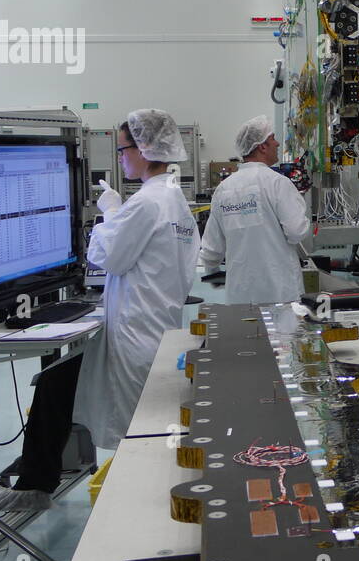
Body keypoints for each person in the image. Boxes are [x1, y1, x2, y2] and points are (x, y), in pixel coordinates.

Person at [73, 109, 201, 450]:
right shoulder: (176, 201)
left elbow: (107, 257)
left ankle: (136, 499)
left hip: (137, 336)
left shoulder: (147, 202)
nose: (120, 158)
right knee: (155, 427)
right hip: (162, 329)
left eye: (121, 150)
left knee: (138, 435)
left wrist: (110, 213)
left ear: (143, 148)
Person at [200, 116, 311, 305]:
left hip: (240, 295)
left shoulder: (224, 189)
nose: (277, 143)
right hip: (280, 292)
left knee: (246, 333)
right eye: (273, 138)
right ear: (262, 146)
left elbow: (212, 249)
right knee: (284, 335)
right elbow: (296, 231)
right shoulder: (277, 183)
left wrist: (212, 272)